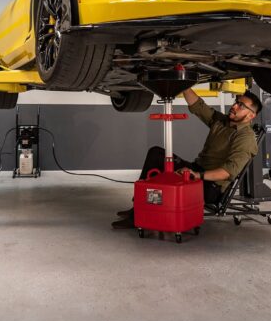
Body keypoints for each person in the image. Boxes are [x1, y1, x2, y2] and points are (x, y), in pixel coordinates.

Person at [112, 88, 262, 229]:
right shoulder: (222, 121)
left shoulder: (245, 138)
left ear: (251, 115)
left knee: (164, 168)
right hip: (196, 170)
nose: (234, 106)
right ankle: (139, 207)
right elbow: (198, 106)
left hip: (210, 186)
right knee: (156, 154)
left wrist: (197, 175)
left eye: (241, 106)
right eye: (236, 102)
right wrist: (185, 85)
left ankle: (138, 216)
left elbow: (227, 172)